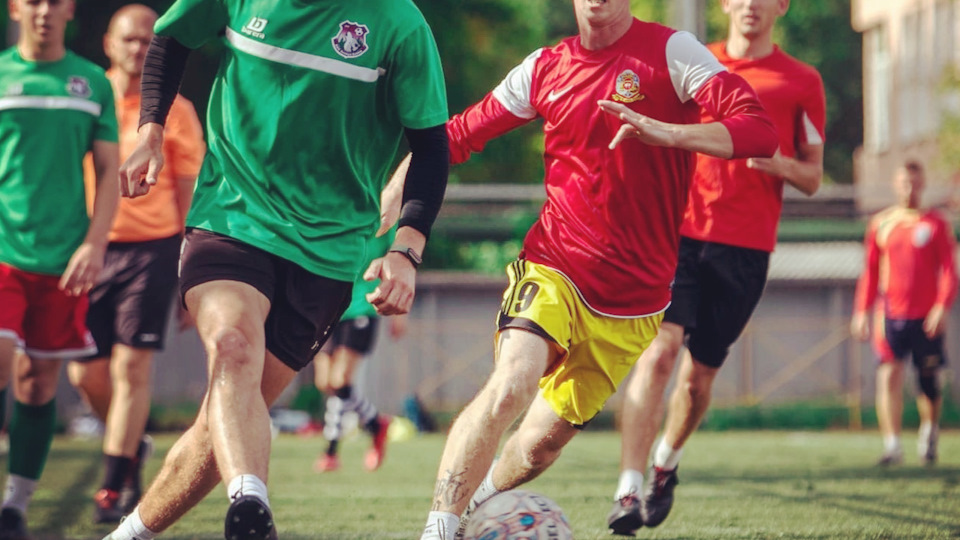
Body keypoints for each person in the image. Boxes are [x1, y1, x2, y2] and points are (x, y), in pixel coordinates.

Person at [417, 0, 779, 538]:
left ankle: (477, 512)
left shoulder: (673, 52)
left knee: (539, 447)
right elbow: (454, 138)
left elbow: (759, 130)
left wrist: (670, 133)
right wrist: (397, 211)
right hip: (553, 265)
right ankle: (439, 530)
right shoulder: (545, 67)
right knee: (512, 383)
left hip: (635, 302)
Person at [100, 0, 449, 538]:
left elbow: (430, 147)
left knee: (225, 421)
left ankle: (126, 535)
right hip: (232, 215)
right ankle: (251, 505)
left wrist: (406, 249)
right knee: (233, 346)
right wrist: (151, 130)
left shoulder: (399, 23)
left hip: (329, 249)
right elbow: (170, 40)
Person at [607, 0, 826, 534]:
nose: (750, 4)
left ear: (781, 6)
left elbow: (814, 177)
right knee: (660, 352)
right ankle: (627, 489)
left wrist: (777, 161)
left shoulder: (802, 80)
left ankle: (665, 464)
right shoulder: (694, 61)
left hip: (745, 247)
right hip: (679, 234)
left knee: (696, 380)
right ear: (725, 4)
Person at [65, 4, 206, 525]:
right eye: (129, 39)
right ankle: (130, 446)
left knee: (131, 368)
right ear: (108, 43)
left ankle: (111, 485)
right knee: (84, 374)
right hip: (91, 247)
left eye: (148, 40)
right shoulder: (88, 98)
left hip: (153, 249)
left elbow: (188, 190)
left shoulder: (177, 111)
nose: (138, 48)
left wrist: (190, 268)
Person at [0, 0, 119, 537]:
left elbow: (110, 169)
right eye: (34, 0)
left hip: (65, 257)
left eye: (56, 1)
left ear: (70, 9)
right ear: (15, 8)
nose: (44, 10)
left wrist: (94, 244)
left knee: (37, 380)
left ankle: (15, 505)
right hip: (4, 250)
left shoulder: (92, 82)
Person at [851, 160, 957, 467]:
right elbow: (870, 272)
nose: (909, 189)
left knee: (928, 380)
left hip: (926, 318)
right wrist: (861, 311)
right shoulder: (881, 223)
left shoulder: (936, 223)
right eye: (904, 183)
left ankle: (929, 431)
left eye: (915, 183)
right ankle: (893, 446)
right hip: (890, 316)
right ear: (896, 185)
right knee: (887, 375)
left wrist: (941, 307)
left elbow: (949, 271)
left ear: (922, 185)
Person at [313, 230, 408, 474]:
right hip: (330, 307)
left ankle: (330, 452)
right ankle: (376, 423)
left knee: (341, 380)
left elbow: (398, 264)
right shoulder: (334, 218)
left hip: (362, 307)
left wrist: (399, 315)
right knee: (325, 382)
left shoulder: (385, 222)